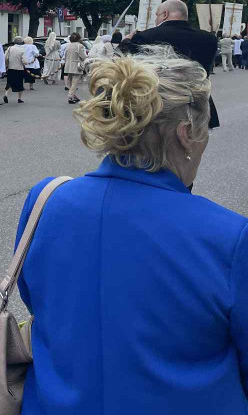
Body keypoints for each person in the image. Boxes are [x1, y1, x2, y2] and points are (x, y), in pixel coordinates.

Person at [13, 46, 248, 413]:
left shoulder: (46, 201)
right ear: (186, 134)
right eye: (205, 130)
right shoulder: (230, 236)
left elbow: (40, 302)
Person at [120, 0, 220, 128]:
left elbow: (123, 64)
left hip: (160, 106)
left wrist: (126, 42)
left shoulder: (145, 37)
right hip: (198, 104)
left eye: (157, 15)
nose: (155, 20)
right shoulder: (209, 38)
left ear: (165, 14)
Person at [63, 32, 87, 104]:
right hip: (76, 66)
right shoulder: (80, 46)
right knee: (75, 82)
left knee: (70, 82)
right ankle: (70, 96)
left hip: (68, 65)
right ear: (79, 38)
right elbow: (83, 57)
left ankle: (74, 96)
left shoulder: (68, 45)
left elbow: (65, 56)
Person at [4, 37, 28, 104]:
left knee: (9, 82)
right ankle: (19, 98)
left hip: (11, 68)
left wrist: (7, 65)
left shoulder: (10, 48)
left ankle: (6, 94)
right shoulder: (22, 49)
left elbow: (5, 57)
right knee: (20, 83)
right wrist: (25, 64)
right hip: (19, 69)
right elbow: (24, 61)